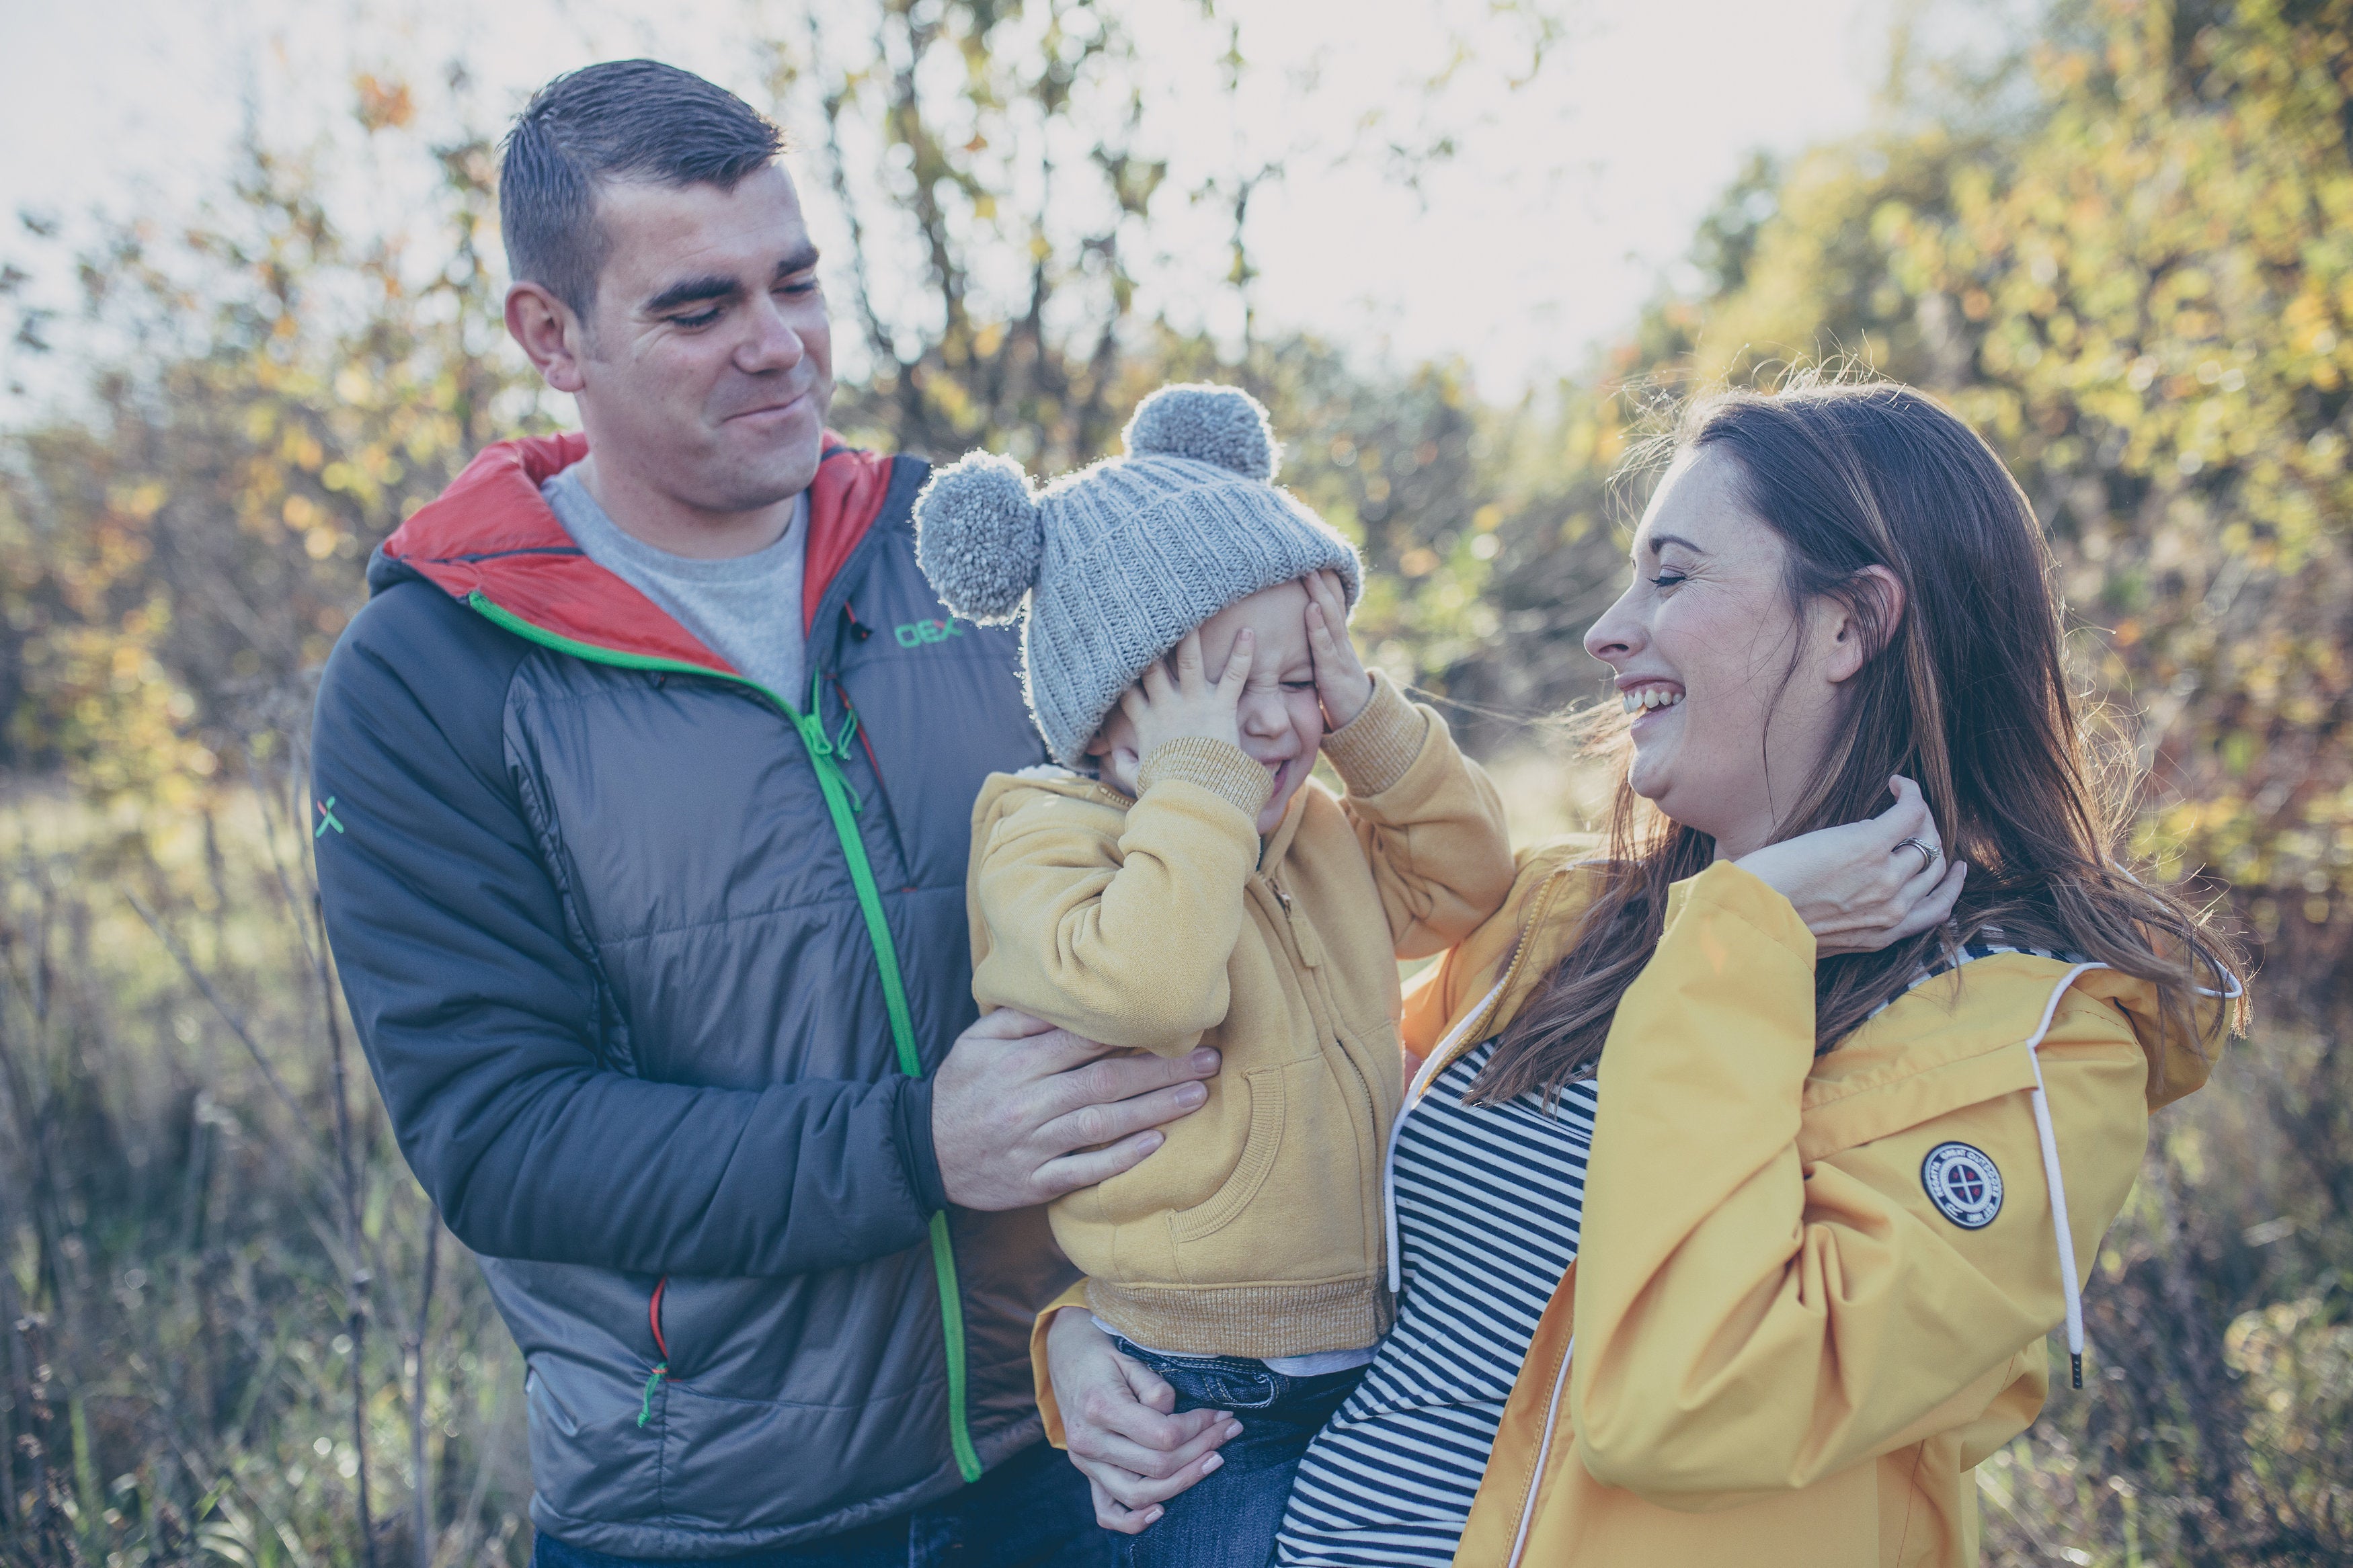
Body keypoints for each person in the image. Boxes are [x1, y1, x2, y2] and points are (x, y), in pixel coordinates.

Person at [1043, 378, 2246, 1567]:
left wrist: (1745, 938)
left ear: (1850, 624)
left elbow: (1688, 1401)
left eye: (1671, 576)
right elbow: (1288, 1157)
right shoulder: (1559, 917)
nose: (1607, 630)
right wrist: (1091, 1337)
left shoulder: (2035, 1047)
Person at [311, 60, 1231, 1566]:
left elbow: (1211, 909)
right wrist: (914, 1146)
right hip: (712, 1508)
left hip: (1087, 1446)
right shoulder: (430, 675)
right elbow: (499, 1135)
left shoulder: (971, 556)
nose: (777, 347)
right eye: (698, 308)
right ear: (551, 335)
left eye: (795, 284)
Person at [913, 384, 1516, 1565]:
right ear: (1103, 713)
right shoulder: (1044, 837)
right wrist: (1201, 787)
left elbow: (1469, 885)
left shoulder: (1321, 829)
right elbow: (1151, 989)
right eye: (1218, 696)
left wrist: (1374, 725)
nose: (1275, 725)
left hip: (1372, 1342)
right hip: (1191, 1393)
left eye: (1301, 679)